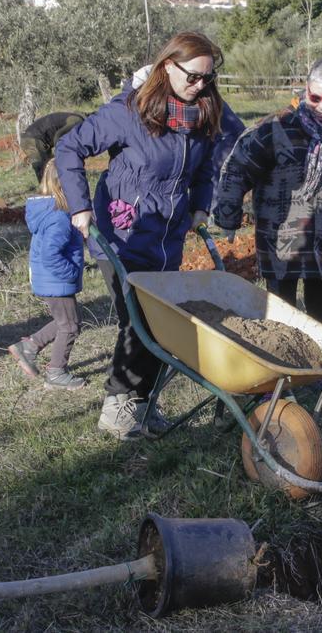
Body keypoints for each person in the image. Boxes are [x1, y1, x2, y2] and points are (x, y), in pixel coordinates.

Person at [55, 31, 244, 441]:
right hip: (122, 233)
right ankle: (117, 407)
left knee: (162, 322)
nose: (200, 86)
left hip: (168, 236)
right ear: (167, 66)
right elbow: (69, 148)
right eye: (193, 77)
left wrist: (200, 205)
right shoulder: (129, 111)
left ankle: (142, 404)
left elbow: (211, 161)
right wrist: (80, 207)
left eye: (207, 79)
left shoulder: (204, 111)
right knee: (137, 321)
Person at [214, 60, 322, 328]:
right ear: (306, 90)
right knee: (279, 318)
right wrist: (228, 216)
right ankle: (279, 368)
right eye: (315, 98)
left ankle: (315, 369)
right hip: (279, 241)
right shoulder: (275, 128)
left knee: (320, 319)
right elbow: (238, 169)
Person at [7, 161, 86, 390]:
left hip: (49, 279)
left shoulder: (48, 209)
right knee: (70, 326)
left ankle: (30, 347)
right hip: (56, 280)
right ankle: (56, 373)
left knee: (68, 320)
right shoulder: (59, 217)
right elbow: (50, 254)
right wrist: (71, 272)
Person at [20, 111, 85, 183]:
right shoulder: (77, 120)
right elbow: (58, 136)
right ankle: (47, 192)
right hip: (34, 140)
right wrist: (60, 155)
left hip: (29, 138)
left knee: (48, 170)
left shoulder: (74, 117)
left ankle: (49, 191)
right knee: (45, 169)